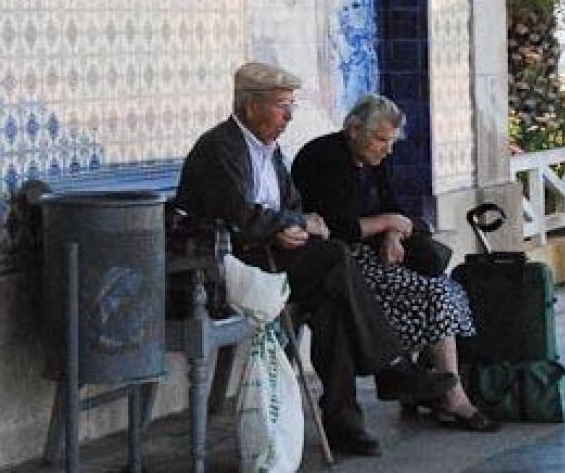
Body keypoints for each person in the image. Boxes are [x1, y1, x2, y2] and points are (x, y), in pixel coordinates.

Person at [173, 62, 457, 458]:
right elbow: (238, 215)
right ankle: (389, 366)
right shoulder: (221, 148)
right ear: (250, 106)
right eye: (281, 106)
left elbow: (292, 206)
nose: (289, 116)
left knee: (331, 305)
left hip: (269, 255)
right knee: (336, 257)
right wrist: (287, 225)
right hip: (227, 266)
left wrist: (293, 226)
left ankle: (345, 424)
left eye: (292, 106)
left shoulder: (269, 151)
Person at [291, 94, 500, 432]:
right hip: (338, 264)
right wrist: (386, 222)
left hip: (375, 254)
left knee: (444, 287)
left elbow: (401, 211)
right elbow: (335, 227)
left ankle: (444, 389)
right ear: (354, 129)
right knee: (433, 295)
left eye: (390, 141)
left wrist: (392, 232)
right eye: (380, 140)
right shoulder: (325, 158)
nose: (386, 149)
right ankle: (439, 391)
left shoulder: (375, 162)